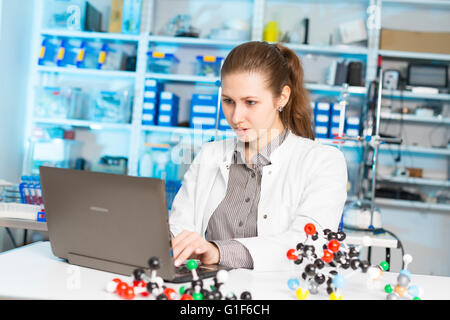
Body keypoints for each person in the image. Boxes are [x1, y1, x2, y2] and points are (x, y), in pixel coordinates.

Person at [169, 41, 348, 272]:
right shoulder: (210, 154)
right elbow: (179, 225)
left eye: (250, 102)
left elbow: (307, 244)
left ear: (281, 98)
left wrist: (217, 251)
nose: (236, 117)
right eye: (228, 101)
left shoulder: (323, 161)